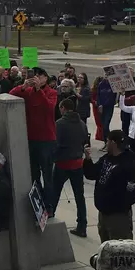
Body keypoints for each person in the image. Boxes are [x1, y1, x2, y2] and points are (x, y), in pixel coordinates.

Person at [10, 68, 58, 201]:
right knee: (33, 175)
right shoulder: (28, 91)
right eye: (33, 76)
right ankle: (38, 202)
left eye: (38, 76)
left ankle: (49, 205)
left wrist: (38, 90)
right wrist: (24, 87)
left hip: (47, 140)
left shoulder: (52, 92)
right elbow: (11, 94)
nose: (35, 78)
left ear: (45, 78)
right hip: (31, 139)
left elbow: (48, 108)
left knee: (47, 176)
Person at [82, 130, 135, 241]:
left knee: (119, 251)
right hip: (103, 213)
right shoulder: (106, 158)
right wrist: (88, 159)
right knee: (106, 248)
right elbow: (92, 174)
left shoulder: (129, 163)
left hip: (118, 217)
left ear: (113, 143)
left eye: (107, 141)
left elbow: (131, 191)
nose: (106, 143)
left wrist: (116, 206)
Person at [51, 97, 90, 230]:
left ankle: (50, 216)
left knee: (55, 192)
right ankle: (82, 224)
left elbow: (55, 143)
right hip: (77, 163)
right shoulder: (82, 124)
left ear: (63, 108)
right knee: (79, 196)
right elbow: (85, 141)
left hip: (62, 162)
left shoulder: (59, 124)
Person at [93, 76, 116, 143]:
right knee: (103, 126)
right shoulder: (101, 84)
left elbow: (113, 98)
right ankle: (106, 142)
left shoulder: (112, 85)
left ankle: (109, 141)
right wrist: (99, 105)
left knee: (106, 125)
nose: (106, 77)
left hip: (109, 107)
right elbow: (98, 95)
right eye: (105, 75)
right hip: (101, 107)